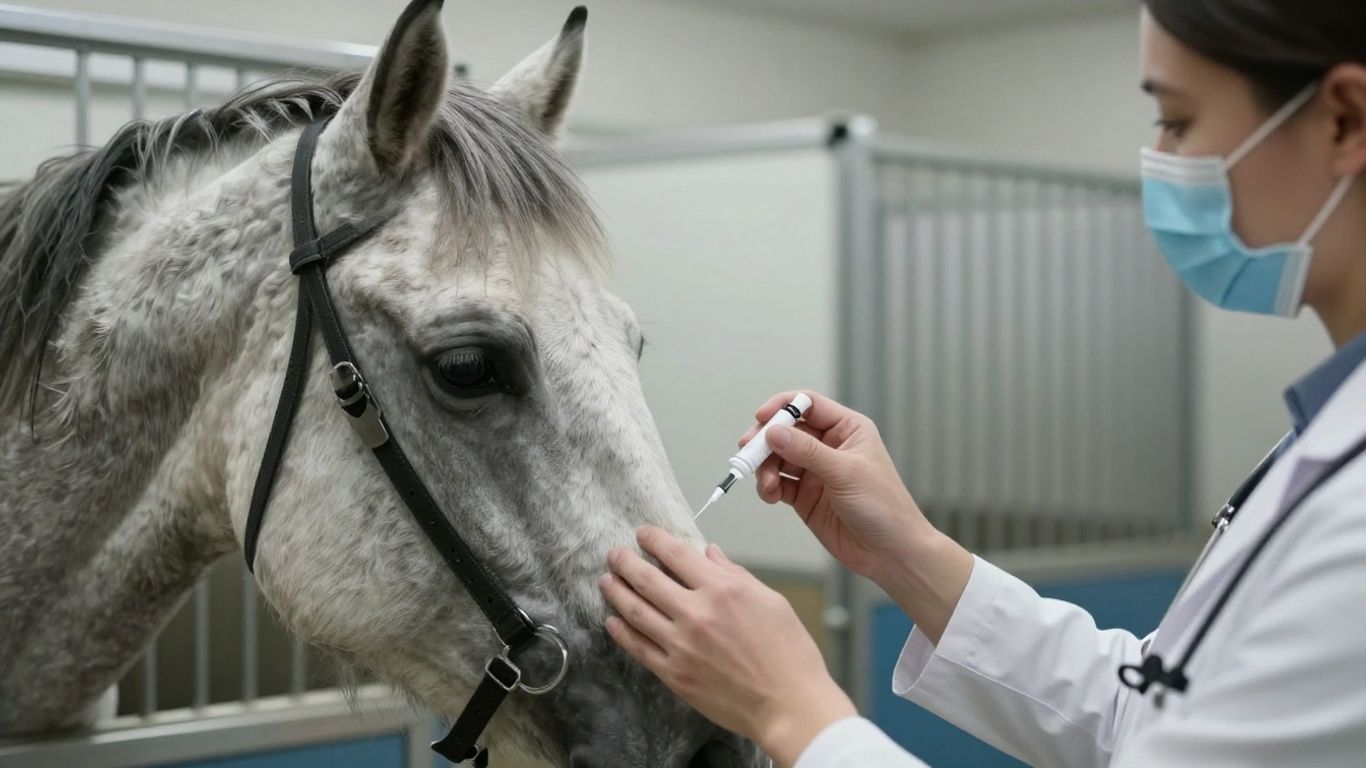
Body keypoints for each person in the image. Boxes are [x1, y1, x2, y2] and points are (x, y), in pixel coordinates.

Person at [596, 2, 1366, 766]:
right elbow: (1147, 718)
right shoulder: (1329, 439)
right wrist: (908, 553)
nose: (1159, 154)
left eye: (1178, 119)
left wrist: (792, 706)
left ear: (1344, 121)